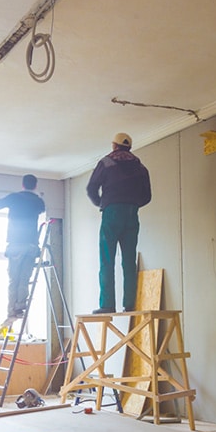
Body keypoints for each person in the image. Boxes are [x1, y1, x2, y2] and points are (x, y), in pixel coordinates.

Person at [86, 132, 151, 313]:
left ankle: (107, 305)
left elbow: (91, 188)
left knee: (107, 259)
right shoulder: (140, 166)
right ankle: (130, 304)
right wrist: (133, 203)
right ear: (129, 147)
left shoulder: (106, 162)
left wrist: (102, 203)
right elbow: (147, 196)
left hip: (111, 212)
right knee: (129, 260)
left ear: (114, 145)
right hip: (132, 213)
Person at [0, 174, 46, 320]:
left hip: (16, 245)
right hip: (31, 246)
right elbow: (42, 209)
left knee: (14, 279)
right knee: (24, 279)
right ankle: (19, 308)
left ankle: (12, 311)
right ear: (35, 186)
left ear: (23, 185)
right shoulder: (38, 201)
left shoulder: (14, 197)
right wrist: (38, 196)